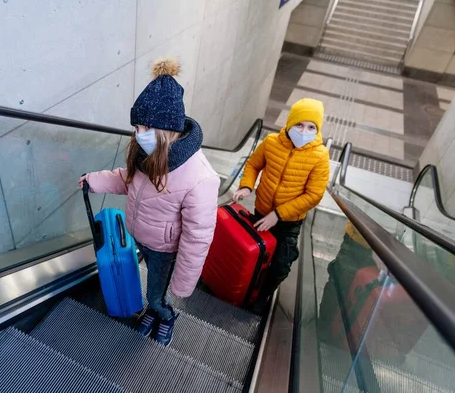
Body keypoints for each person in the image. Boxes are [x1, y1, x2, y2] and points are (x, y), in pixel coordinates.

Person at [79, 58, 219, 346]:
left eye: (145, 128)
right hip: (141, 237)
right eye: (136, 126)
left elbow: (198, 237)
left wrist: (183, 283)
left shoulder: (200, 178)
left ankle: (164, 315)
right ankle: (156, 308)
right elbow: (127, 179)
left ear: (168, 130)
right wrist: (95, 181)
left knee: (158, 292)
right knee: (154, 287)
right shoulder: (148, 152)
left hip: (165, 250)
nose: (137, 134)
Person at [233, 98, 330, 313]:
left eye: (311, 127)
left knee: (280, 265)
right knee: (257, 254)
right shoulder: (271, 142)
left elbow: (314, 195)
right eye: (299, 124)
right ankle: (246, 287)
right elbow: (253, 164)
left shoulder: (320, 156)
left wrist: (278, 215)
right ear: (290, 123)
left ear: (318, 129)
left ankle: (264, 296)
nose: (304, 131)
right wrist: (247, 186)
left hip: (289, 222)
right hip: (261, 212)